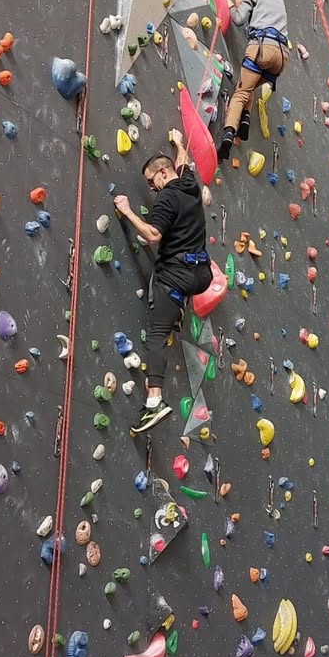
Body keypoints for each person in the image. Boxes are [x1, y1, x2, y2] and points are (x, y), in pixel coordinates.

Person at [112, 129, 211, 435]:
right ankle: (176, 308)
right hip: (201, 276)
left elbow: (154, 235)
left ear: (163, 173)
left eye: (151, 181)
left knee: (157, 334)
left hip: (177, 273)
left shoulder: (166, 197)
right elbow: (182, 163)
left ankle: (154, 402)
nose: (151, 188)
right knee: (167, 285)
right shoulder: (190, 183)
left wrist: (127, 211)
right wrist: (179, 143)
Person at [219, 0, 289, 161]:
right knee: (249, 86)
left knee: (240, 93)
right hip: (281, 57)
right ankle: (245, 122)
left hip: (261, 48)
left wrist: (230, 4)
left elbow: (238, 19)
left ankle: (227, 136)